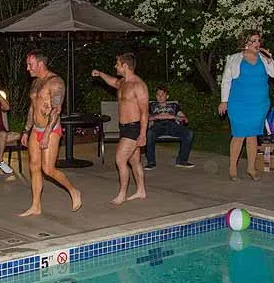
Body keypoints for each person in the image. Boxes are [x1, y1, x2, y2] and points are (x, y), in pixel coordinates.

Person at [18, 50, 82, 216]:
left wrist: (46, 133)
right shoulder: (36, 83)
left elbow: (56, 110)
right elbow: (32, 108)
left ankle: (73, 190)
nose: (27, 68)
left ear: (40, 64)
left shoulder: (55, 82)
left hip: (51, 129)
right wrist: (26, 130)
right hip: (36, 129)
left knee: (48, 169)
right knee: (34, 167)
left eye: (30, 64)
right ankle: (36, 206)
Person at [219, 30, 274, 181]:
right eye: (254, 41)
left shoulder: (264, 58)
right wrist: (224, 101)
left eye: (258, 40)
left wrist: (269, 59)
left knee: (253, 136)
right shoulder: (234, 59)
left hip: (258, 104)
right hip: (238, 103)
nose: (257, 44)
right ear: (245, 43)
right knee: (239, 135)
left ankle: (251, 168)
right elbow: (226, 80)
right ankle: (232, 169)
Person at [92, 53, 150, 204]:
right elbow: (113, 82)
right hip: (124, 127)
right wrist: (100, 74)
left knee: (120, 159)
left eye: (117, 64)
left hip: (134, 128)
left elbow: (145, 112)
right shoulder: (123, 82)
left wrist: (143, 134)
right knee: (134, 161)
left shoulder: (139, 85)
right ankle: (141, 191)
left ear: (125, 66)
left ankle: (122, 194)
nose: (115, 66)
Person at [145, 87, 195, 169]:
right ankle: (151, 162)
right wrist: (158, 117)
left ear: (167, 96)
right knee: (149, 133)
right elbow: (146, 117)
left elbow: (185, 118)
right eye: (158, 94)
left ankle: (182, 161)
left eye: (162, 94)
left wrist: (172, 117)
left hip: (172, 125)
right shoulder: (151, 105)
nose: (160, 96)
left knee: (189, 133)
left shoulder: (174, 106)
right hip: (158, 126)